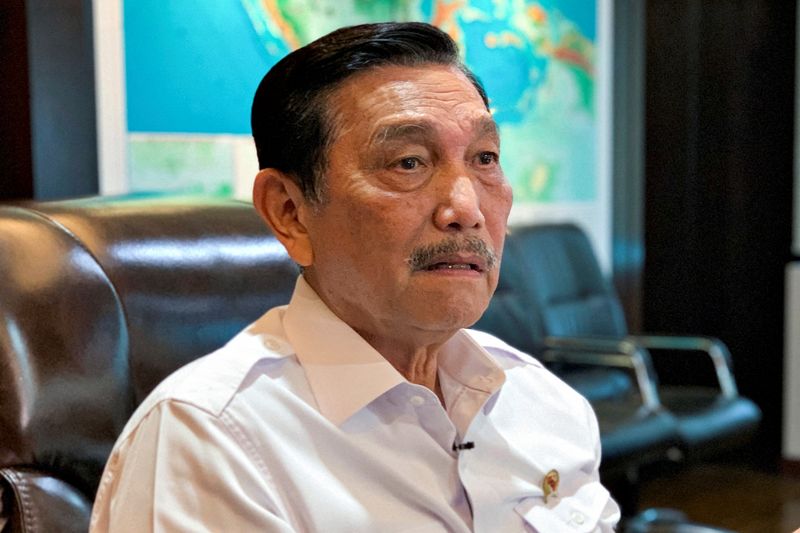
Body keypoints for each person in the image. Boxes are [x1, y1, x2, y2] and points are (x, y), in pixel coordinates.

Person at [90, 22, 620, 532]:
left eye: (485, 158)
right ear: (290, 212)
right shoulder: (211, 439)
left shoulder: (544, 402)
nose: (465, 207)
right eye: (409, 162)